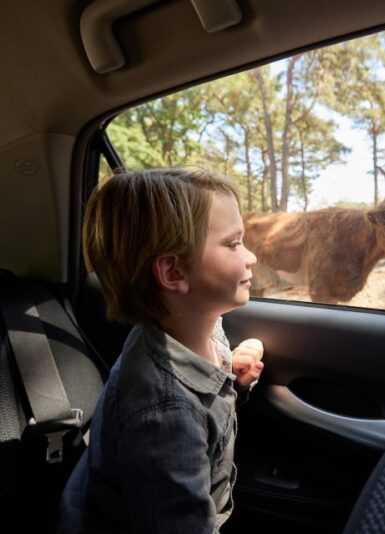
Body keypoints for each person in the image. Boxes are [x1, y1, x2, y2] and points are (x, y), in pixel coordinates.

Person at [58, 167, 264, 533]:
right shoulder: (165, 416)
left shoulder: (193, 326)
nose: (252, 258)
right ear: (173, 273)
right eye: (234, 243)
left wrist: (231, 378)